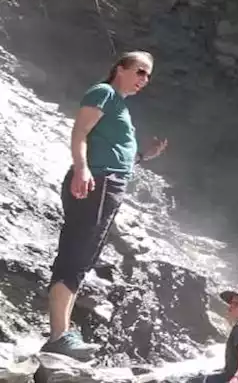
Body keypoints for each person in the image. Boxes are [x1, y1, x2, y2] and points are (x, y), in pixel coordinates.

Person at [42, 51, 169, 360]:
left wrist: (142, 158)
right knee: (75, 254)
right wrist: (82, 169)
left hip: (109, 184)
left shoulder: (119, 104)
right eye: (140, 71)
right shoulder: (105, 92)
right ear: (120, 69)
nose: (144, 79)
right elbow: (80, 132)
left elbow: (111, 148)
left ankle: (63, 333)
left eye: (148, 75)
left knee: (84, 257)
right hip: (97, 182)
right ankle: (58, 335)